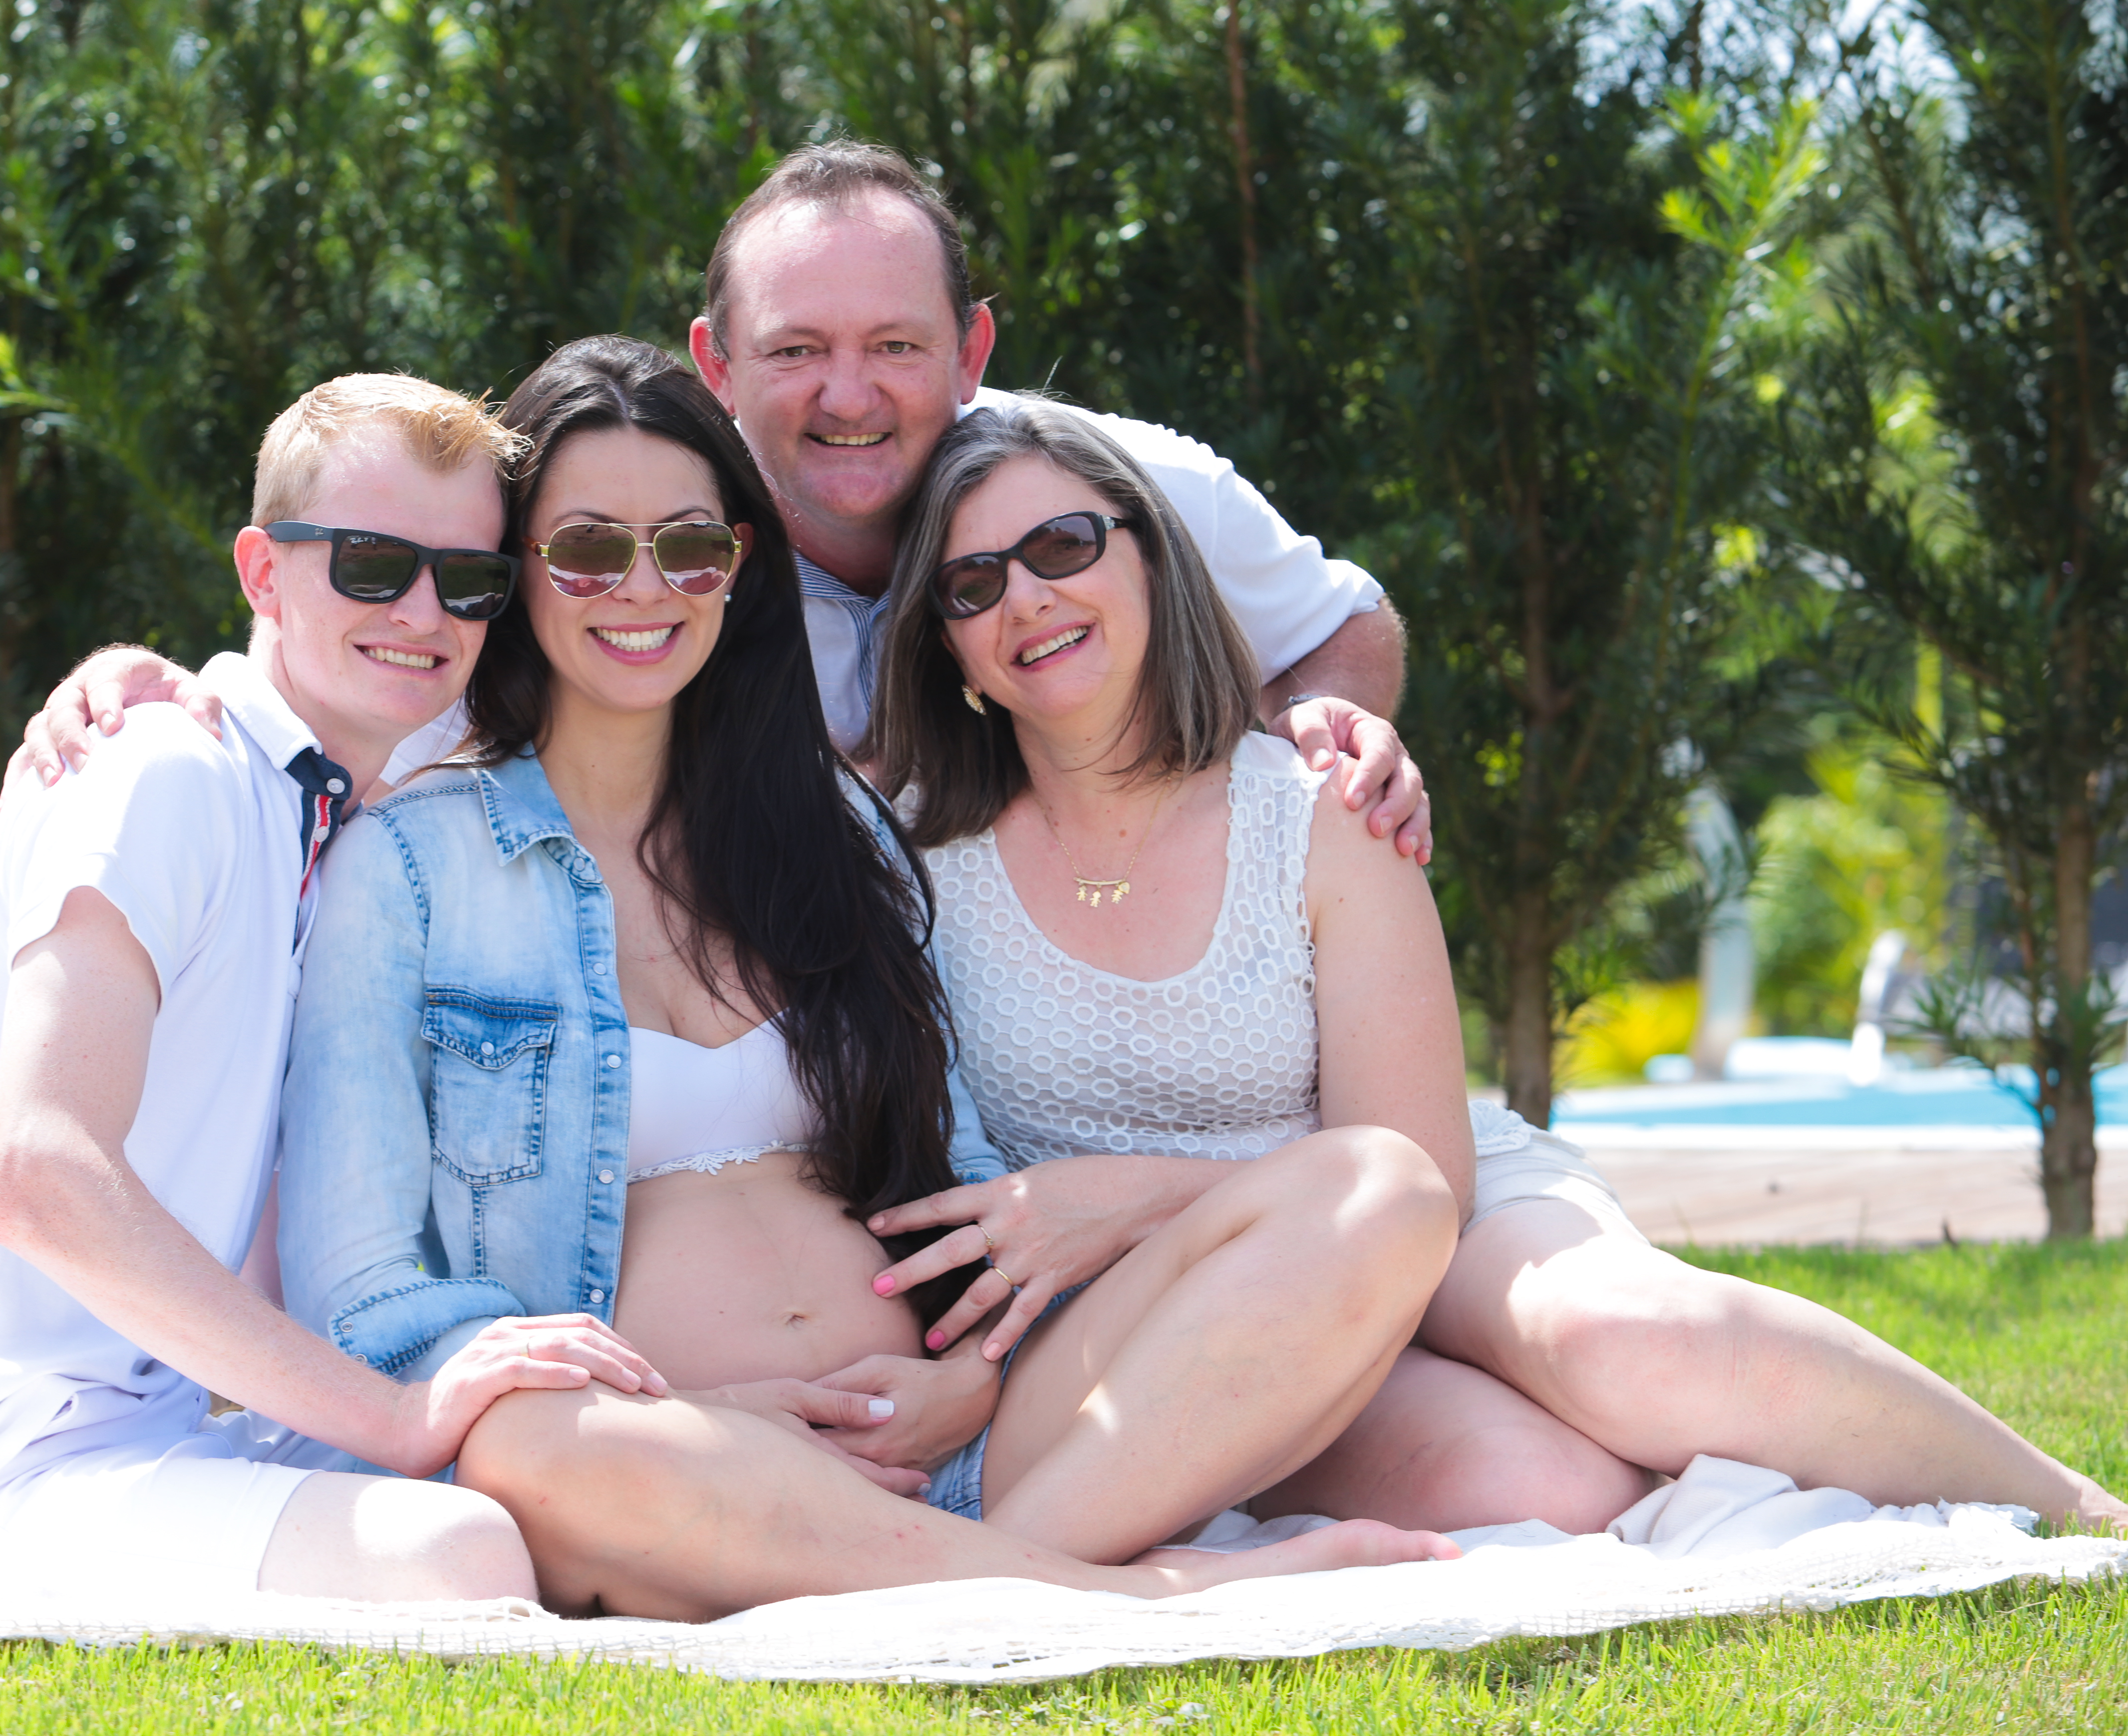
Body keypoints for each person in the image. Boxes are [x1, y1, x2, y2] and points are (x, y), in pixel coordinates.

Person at [283, 336, 1462, 1622]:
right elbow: (367, 1293)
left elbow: (944, 1163)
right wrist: (681, 1413)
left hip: (964, 1446)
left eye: (689, 546)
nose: (644, 588)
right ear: (519, 578)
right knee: (527, 1450)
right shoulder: (407, 868)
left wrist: (976, 1373)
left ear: (739, 568)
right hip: (663, 1457)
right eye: (587, 550)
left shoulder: (832, 827)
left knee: (1382, 1191)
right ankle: (1122, 1598)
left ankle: (990, 1578)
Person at [857, 398, 2128, 1537]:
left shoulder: (1316, 801)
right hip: (1191, 1304)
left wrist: (1123, 1197)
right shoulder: (910, 854)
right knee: (1544, 1491)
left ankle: (2076, 1512)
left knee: (1621, 1340)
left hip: (1430, 1205)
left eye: (1064, 548)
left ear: (1149, 557)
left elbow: (1417, 1170)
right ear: (948, 646)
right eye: (971, 586)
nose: (1026, 599)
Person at [0, 376, 669, 1601]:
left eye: (467, 580)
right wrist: (400, 1417)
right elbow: (39, 1179)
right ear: (262, 572)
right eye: (370, 563)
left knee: (567, 1492)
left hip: (158, 1441)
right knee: (460, 1554)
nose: (424, 611)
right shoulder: (165, 774)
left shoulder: (339, 806)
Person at [3, 143, 1433, 863]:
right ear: (717, 363)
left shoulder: (1100, 496)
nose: (850, 397)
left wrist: (1321, 736)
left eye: (897, 348)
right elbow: (386, 607)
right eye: (799, 351)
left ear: (975, 351)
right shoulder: (645, 537)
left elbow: (1346, 619)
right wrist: (159, 678)